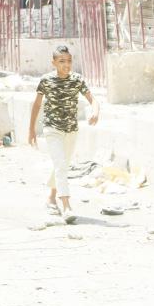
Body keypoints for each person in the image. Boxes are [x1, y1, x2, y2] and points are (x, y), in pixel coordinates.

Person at [28, 45, 99, 223]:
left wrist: (95, 111)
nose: (66, 65)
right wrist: (31, 130)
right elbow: (37, 105)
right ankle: (66, 206)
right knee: (60, 165)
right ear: (53, 63)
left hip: (71, 130)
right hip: (52, 129)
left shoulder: (77, 79)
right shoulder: (46, 80)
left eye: (69, 61)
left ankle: (51, 198)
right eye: (61, 61)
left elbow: (92, 99)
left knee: (62, 166)